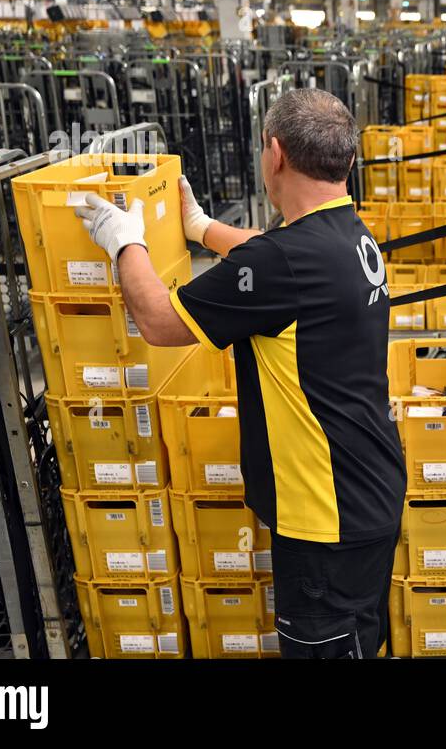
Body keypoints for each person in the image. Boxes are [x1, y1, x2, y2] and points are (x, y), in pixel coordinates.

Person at [75, 88, 405, 659]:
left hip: (325, 521)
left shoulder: (281, 261)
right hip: (371, 490)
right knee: (358, 641)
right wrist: (202, 227)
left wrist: (124, 242)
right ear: (347, 160)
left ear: (274, 154)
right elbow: (273, 256)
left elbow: (157, 321)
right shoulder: (350, 235)